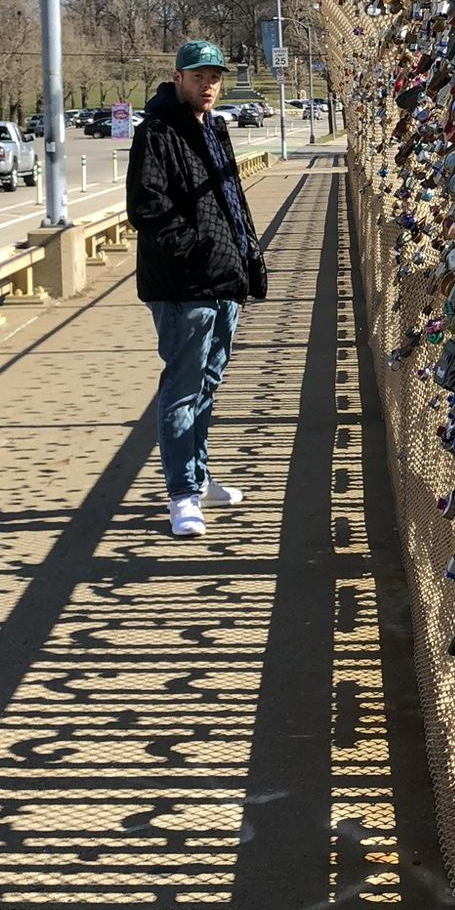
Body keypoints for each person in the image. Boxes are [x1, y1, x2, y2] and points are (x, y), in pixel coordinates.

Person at [126, 40, 267, 538]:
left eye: (214, 76)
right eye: (198, 76)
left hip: (224, 279)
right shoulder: (157, 133)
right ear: (178, 78)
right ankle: (181, 495)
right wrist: (200, 251)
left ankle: (199, 476)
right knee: (182, 389)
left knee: (208, 383)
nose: (208, 85)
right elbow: (147, 209)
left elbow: (230, 198)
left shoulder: (217, 129)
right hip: (182, 284)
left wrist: (246, 253)